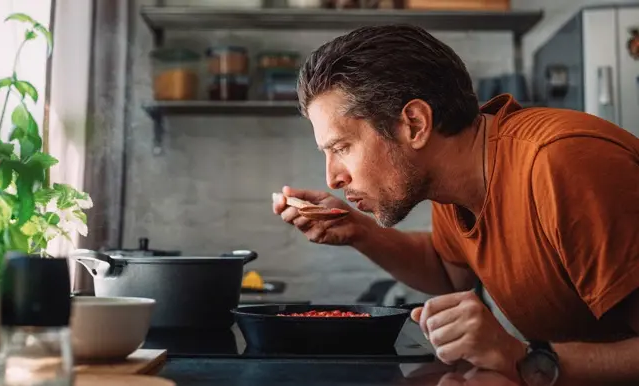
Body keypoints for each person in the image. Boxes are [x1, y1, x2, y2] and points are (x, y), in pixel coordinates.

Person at [272, 24, 639, 386]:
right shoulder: (453, 178)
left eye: (341, 148)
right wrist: (358, 231)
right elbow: (450, 273)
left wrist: (522, 359)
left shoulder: (564, 165)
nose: (333, 178)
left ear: (414, 124)